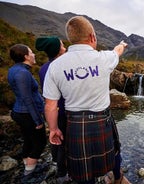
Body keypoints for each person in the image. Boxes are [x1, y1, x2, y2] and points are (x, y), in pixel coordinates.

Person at [43, 16, 130, 184]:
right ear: (92, 37)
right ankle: (117, 178)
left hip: (75, 125)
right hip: (102, 121)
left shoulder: (55, 66)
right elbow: (117, 51)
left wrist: (53, 129)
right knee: (114, 153)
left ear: (71, 39)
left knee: (81, 170)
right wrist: (122, 45)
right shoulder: (104, 58)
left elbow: (50, 105)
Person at [7, 44, 47, 182]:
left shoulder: (14, 69)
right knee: (40, 142)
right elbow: (27, 99)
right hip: (27, 114)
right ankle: (28, 175)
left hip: (20, 112)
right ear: (26, 56)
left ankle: (28, 166)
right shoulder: (23, 73)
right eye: (31, 52)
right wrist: (38, 121)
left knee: (29, 140)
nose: (34, 54)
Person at [35, 36, 70, 183]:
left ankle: (55, 161)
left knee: (55, 136)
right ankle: (62, 174)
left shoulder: (44, 68)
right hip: (63, 110)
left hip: (51, 110)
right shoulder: (60, 66)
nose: (64, 46)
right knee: (64, 141)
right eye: (62, 45)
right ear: (57, 49)